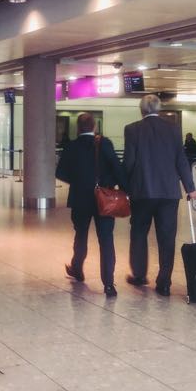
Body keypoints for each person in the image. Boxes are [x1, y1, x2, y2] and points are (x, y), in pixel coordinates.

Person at [123, 94, 196, 297]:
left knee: (139, 232)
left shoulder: (132, 130)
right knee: (167, 237)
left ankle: (139, 275)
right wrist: (190, 189)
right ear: (159, 109)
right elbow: (181, 161)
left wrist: (122, 186)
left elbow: (129, 162)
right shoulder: (173, 129)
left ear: (142, 110)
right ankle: (164, 282)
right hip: (168, 194)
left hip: (142, 192)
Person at [56, 113, 128, 297]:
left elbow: (61, 173)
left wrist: (79, 180)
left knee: (80, 235)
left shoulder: (71, 146)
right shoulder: (105, 143)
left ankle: (77, 269)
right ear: (94, 127)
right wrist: (122, 187)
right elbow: (117, 168)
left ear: (78, 128)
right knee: (106, 240)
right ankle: (109, 284)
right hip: (104, 199)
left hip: (80, 198)